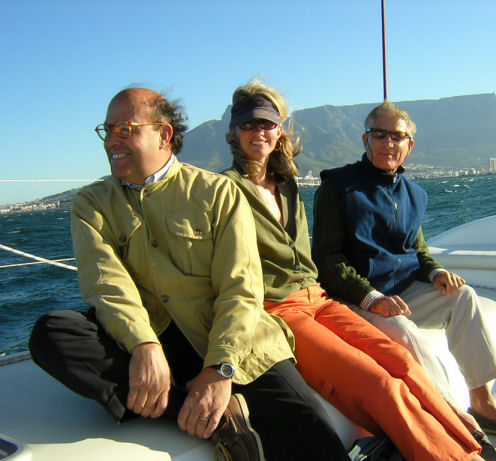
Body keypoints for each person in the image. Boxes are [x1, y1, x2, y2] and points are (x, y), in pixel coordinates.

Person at [28, 88, 351, 461]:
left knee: (312, 433)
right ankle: (215, 419)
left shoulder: (217, 193)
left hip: (229, 339)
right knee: (52, 335)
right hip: (153, 338)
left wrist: (219, 370)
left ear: (163, 135)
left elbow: (241, 287)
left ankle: (201, 400)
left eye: (125, 128)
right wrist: (142, 345)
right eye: (108, 130)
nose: (112, 140)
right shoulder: (92, 203)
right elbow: (106, 284)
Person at [223, 80, 487, 461]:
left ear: (279, 129)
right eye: (248, 124)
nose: (258, 132)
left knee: (401, 362)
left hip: (320, 298)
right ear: (234, 132)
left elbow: (416, 246)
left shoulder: (287, 184)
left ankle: (467, 438)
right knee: (381, 384)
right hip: (280, 309)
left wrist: (432, 271)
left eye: (267, 123)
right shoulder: (223, 189)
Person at [311, 101, 496, 445]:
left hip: (402, 293)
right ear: (366, 139)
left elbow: (418, 252)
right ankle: (454, 421)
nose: (388, 143)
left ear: (409, 145)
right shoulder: (338, 187)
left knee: (463, 297)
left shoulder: (414, 194)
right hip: (357, 299)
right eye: (380, 134)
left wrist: (436, 273)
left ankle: (483, 404)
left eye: (397, 136)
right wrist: (371, 297)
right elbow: (327, 258)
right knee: (404, 332)